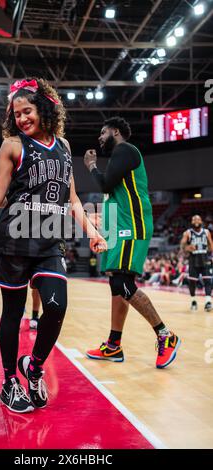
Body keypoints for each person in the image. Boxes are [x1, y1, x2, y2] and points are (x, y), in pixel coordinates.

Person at [0, 77, 106, 414]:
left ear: (44, 109)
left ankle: (34, 366)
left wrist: (92, 231)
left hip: (49, 243)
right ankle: (8, 381)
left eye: (27, 111)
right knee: (13, 314)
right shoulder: (12, 146)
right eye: (16, 114)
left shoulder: (64, 146)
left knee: (56, 308)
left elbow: (72, 199)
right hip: (13, 242)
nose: (21, 119)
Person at [83, 116, 181, 369]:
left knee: (122, 283)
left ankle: (165, 335)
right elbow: (112, 193)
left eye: (103, 132)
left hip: (132, 226)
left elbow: (104, 183)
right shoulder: (120, 157)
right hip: (120, 227)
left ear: (116, 131)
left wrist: (92, 166)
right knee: (116, 285)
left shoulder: (125, 150)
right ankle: (113, 346)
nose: (100, 137)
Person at [180, 214, 213, 311]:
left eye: (198, 219)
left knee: (208, 281)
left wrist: (209, 253)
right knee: (192, 282)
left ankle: (208, 302)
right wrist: (186, 247)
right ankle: (193, 301)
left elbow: (211, 245)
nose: (196, 221)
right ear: (191, 222)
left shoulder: (206, 232)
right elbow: (182, 245)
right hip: (193, 260)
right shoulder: (188, 233)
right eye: (194, 219)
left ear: (201, 221)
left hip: (205, 258)